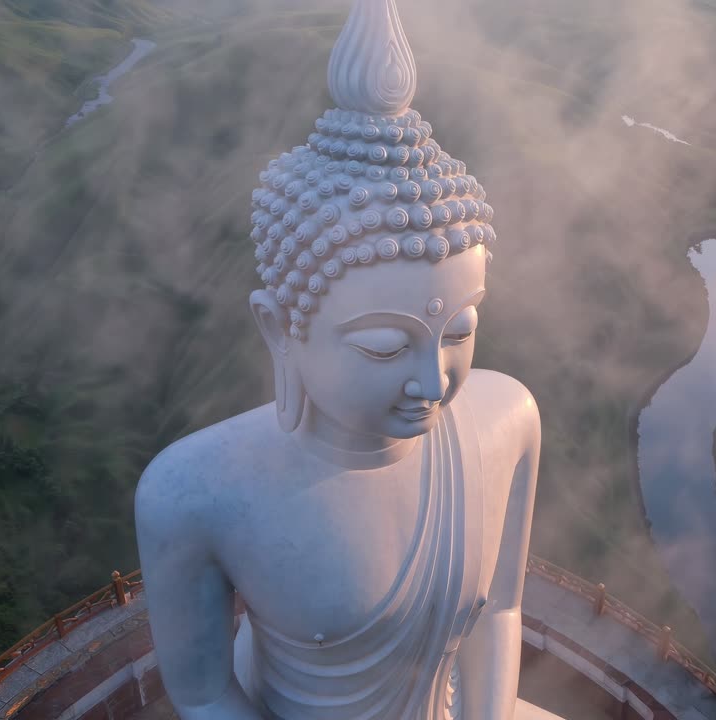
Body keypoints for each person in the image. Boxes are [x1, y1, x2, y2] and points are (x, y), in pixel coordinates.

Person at [135, 2, 559, 717]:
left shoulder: (507, 418)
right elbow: (206, 694)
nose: (432, 384)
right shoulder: (192, 493)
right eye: (384, 346)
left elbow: (497, 611)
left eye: (460, 331)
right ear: (279, 329)